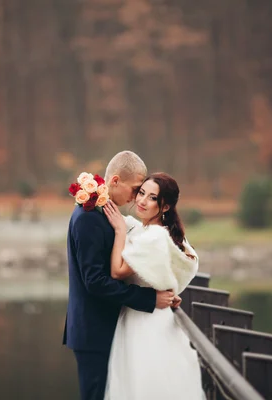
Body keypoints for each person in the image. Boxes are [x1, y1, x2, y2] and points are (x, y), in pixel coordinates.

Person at [63, 151, 180, 400]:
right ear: (115, 181)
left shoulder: (106, 213)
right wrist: (150, 299)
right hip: (94, 332)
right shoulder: (88, 218)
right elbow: (95, 282)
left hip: (110, 328)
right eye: (136, 188)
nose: (137, 196)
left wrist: (165, 288)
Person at [103, 172, 205, 400]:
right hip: (143, 317)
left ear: (165, 206)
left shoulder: (155, 236)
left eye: (151, 198)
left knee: (144, 386)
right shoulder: (146, 231)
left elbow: (117, 271)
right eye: (141, 193)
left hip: (146, 324)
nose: (141, 201)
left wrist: (119, 230)